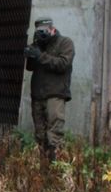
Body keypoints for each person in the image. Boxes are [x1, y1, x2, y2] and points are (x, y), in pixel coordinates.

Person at [24, 17, 74, 159]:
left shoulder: (65, 43)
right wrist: (31, 53)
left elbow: (63, 64)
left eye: (44, 31)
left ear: (52, 29)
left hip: (55, 94)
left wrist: (40, 56)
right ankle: (43, 169)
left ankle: (56, 169)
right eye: (39, 31)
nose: (42, 34)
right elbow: (30, 67)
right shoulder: (38, 44)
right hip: (38, 95)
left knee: (54, 135)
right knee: (40, 134)